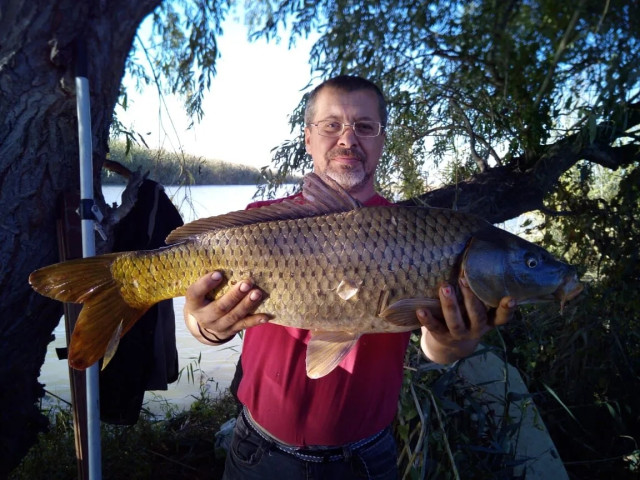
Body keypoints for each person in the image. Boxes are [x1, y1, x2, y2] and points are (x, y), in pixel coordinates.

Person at [184, 75, 516, 479]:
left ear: (381, 139)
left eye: (364, 126)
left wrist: (453, 342)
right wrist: (207, 328)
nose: (347, 139)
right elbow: (196, 313)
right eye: (331, 125)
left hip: (364, 459)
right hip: (259, 451)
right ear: (307, 138)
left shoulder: (416, 231)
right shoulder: (261, 219)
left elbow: (436, 347)